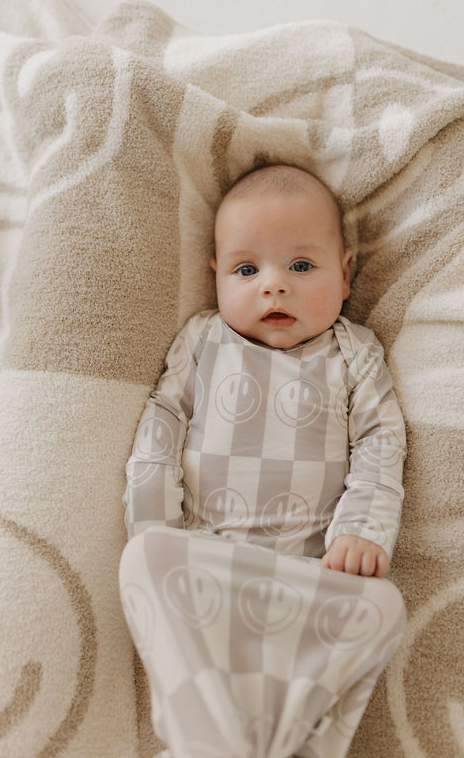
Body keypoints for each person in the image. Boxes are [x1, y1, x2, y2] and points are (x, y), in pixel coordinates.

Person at [119, 164, 407, 758]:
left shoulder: (353, 353)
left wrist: (360, 530)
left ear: (345, 274)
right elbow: (161, 426)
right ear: (216, 276)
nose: (273, 285)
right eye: (247, 270)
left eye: (301, 266)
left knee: (384, 607)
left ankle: (229, 743)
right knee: (140, 558)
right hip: (206, 569)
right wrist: (156, 526)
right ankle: (252, 741)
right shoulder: (204, 342)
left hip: (311, 582)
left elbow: (381, 440)